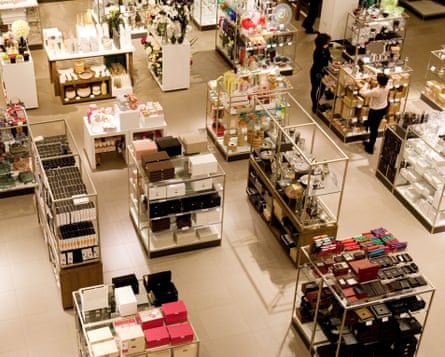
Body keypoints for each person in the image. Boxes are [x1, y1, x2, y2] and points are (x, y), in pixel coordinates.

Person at [359, 72, 392, 154]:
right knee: (372, 124)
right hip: (383, 108)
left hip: (375, 110)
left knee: (374, 129)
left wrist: (366, 82)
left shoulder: (376, 91)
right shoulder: (387, 86)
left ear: (379, 81)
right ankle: (368, 128)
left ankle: (370, 147)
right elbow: (390, 80)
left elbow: (363, 93)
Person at [310, 33, 332, 114]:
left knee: (322, 88)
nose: (328, 44)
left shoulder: (326, 48)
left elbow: (328, 56)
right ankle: (314, 104)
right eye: (327, 42)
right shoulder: (317, 52)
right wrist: (323, 75)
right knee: (315, 88)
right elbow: (318, 65)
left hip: (324, 71)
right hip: (316, 72)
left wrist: (332, 60)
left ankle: (317, 101)